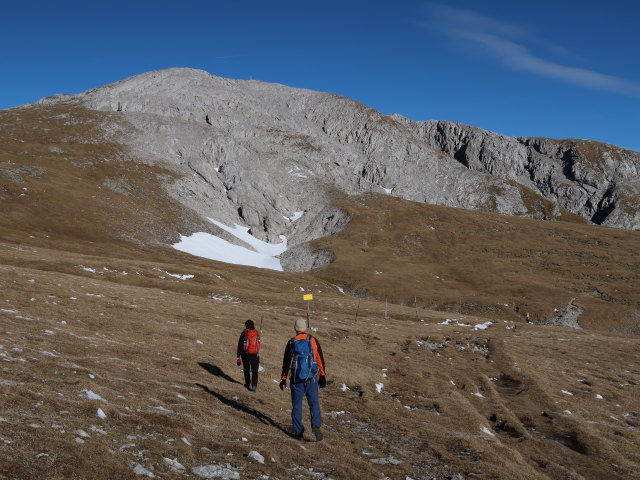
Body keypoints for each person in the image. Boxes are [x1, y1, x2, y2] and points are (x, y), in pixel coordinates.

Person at [279, 318, 326, 441]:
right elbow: (319, 358)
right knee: (314, 403)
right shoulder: (312, 340)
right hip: (311, 378)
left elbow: (286, 362)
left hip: (296, 379)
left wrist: (283, 378)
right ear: (305, 328)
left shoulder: (291, 342)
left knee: (296, 405)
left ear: (295, 328)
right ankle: (315, 426)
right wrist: (323, 375)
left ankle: (298, 432)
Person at [236, 319, 260, 392]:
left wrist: (238, 355)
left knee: (246, 369)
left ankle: (247, 383)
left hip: (245, 353)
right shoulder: (256, 332)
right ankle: (254, 386)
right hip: (255, 354)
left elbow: (240, 344)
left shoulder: (244, 332)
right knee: (255, 370)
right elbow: (258, 343)